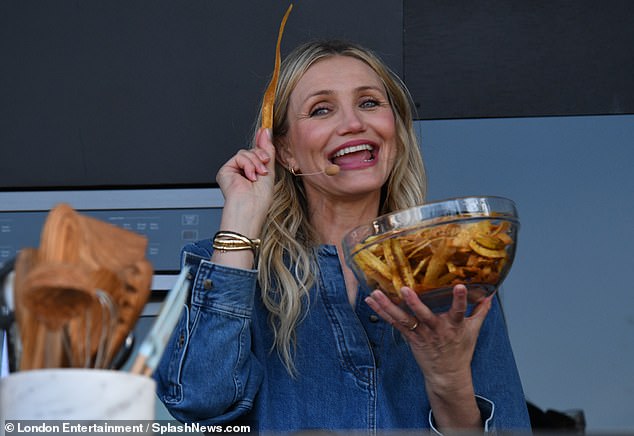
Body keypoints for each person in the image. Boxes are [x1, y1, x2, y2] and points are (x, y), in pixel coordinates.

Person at [154, 39, 531, 434]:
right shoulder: (228, 266)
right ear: (285, 152)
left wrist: (448, 378)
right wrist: (240, 225)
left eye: (369, 103)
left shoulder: (456, 268)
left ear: (396, 133)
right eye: (321, 109)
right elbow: (199, 402)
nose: (353, 123)